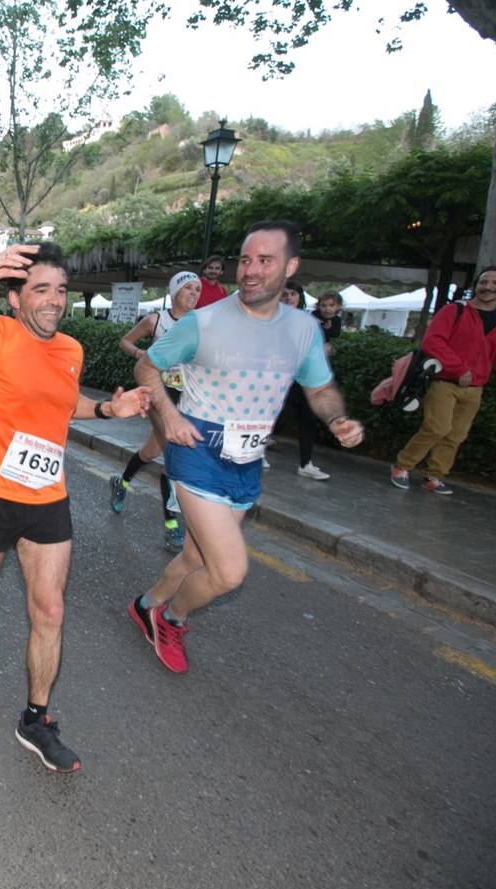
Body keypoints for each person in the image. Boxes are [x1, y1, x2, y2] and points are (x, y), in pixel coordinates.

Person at [0, 242, 151, 773]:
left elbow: (64, 405)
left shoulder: (70, 350)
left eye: (61, 290)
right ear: (16, 299)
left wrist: (111, 408)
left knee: (51, 609)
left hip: (47, 499)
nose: (54, 301)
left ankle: (35, 719)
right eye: (41, 289)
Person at [129, 221, 364, 674]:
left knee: (198, 556)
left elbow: (320, 389)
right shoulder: (205, 321)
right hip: (196, 445)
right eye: (245, 260)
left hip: (248, 456)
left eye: (265, 261)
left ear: (291, 266)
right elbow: (147, 367)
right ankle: (171, 617)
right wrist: (170, 416)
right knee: (228, 572)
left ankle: (145, 604)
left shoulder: (302, 330)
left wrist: (336, 418)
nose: (251, 271)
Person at [390, 266, 496, 495]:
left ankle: (435, 475)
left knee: (456, 435)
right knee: (437, 428)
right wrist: (459, 368)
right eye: (484, 282)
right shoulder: (454, 311)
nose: (488, 287)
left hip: (475, 388)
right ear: (477, 285)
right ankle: (402, 465)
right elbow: (432, 342)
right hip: (444, 382)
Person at [110, 271, 201, 551]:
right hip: (157, 392)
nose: (194, 293)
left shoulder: (201, 324)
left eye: (198, 289)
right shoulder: (156, 320)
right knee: (172, 450)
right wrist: (142, 355)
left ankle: (122, 482)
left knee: (151, 452)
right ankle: (171, 525)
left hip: (188, 396)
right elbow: (125, 341)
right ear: (174, 292)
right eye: (188, 288)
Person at [274, 279, 329, 479]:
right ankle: (256, 451)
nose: (289, 298)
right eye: (285, 294)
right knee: (279, 417)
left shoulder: (309, 321)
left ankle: (306, 463)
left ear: (300, 298)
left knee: (308, 419)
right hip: (282, 379)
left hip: (306, 378)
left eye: (293, 294)